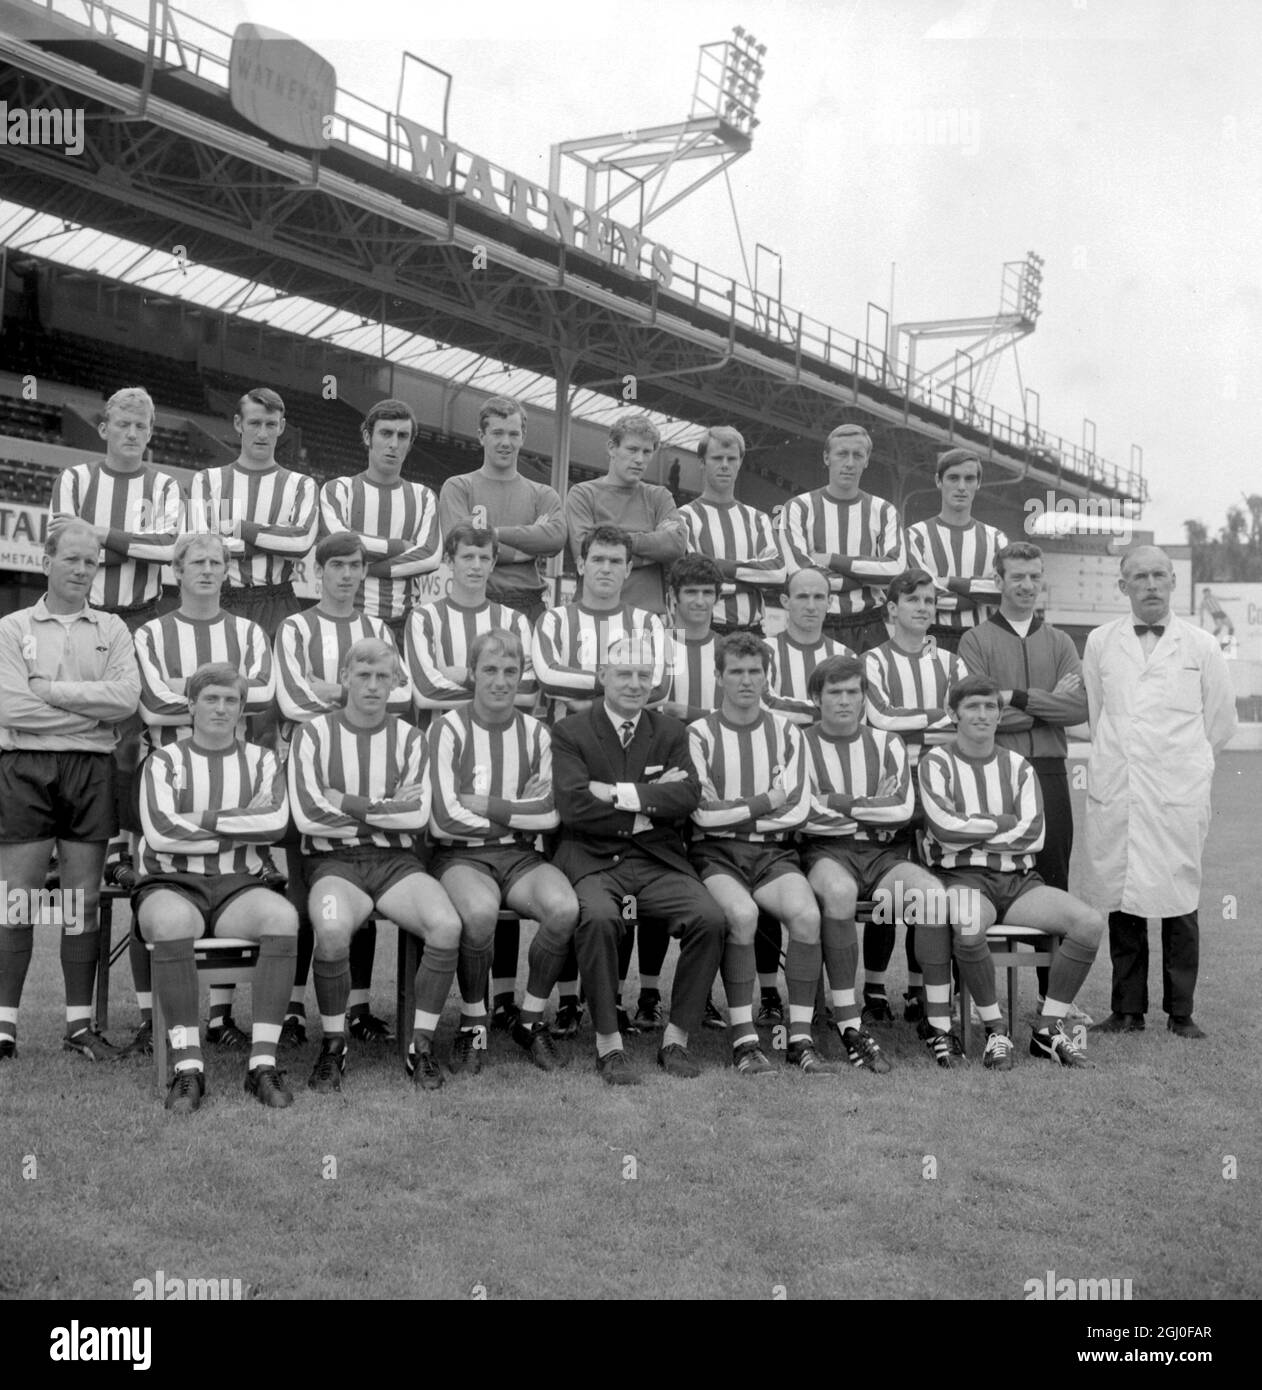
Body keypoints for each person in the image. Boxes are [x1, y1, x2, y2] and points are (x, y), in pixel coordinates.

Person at [49, 385, 182, 1047]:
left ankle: (130, 851)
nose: (132, 432)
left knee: (136, 741)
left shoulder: (166, 484)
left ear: (151, 433)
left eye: (142, 425)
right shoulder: (74, 475)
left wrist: (107, 538)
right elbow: (66, 541)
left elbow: (168, 550)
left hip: (139, 619)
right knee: (73, 739)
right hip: (81, 619)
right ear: (104, 427)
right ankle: (73, 850)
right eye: (123, 422)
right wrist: (119, 543)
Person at [289, 639, 462, 1092]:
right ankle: (333, 1044)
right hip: (334, 866)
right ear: (344, 678)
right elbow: (308, 815)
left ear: (395, 683)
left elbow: (417, 816)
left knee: (446, 926)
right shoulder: (311, 734)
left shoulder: (410, 737)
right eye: (363, 675)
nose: (372, 685)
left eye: (382, 677)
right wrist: (384, 813)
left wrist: (345, 804)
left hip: (397, 864)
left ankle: (419, 1045)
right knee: (329, 933)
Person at [551, 636, 725, 1084]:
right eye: (624, 674)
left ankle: (676, 1039)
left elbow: (686, 796)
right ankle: (609, 1043)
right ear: (602, 676)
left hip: (656, 859)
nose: (634, 684)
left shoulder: (669, 731)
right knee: (602, 918)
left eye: (644, 676)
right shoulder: (571, 731)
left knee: (708, 916)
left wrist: (613, 793)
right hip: (592, 858)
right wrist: (649, 804)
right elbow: (573, 807)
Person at [1082, 546, 1237, 1039]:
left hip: (1177, 790)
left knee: (1179, 896)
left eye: (1158, 575)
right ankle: (1127, 1010)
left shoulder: (1202, 646)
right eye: (1138, 576)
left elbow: (1221, 722)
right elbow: (1097, 710)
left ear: (1172, 582)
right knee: (1123, 897)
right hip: (1121, 787)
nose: (1150, 584)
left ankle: (1181, 1011)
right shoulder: (1101, 642)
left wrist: (1183, 766)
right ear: (1122, 586)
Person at [0, 519, 140, 1062]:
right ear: (47, 561)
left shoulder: (113, 628)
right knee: (18, 899)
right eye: (73, 559)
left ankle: (79, 1028)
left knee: (81, 900)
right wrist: (88, 718)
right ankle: (5, 1029)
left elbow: (126, 699)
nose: (83, 570)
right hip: (25, 767)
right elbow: (9, 707)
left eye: (92, 562)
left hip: (90, 772)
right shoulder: (12, 628)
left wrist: (50, 696)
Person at [133, 531, 276, 1051]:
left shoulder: (249, 630)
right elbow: (151, 704)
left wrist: (184, 684)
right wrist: (207, 694)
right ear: (177, 569)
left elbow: (263, 696)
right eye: (198, 561)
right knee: (158, 883)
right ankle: (157, 1021)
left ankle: (219, 1018)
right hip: (166, 770)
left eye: (218, 561)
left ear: (228, 571)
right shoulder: (151, 633)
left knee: (231, 878)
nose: (208, 569)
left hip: (236, 770)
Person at [134, 663, 297, 1112]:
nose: (221, 708)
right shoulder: (163, 760)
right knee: (168, 922)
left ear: (243, 708)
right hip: (171, 881)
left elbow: (273, 824)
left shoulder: (262, 760)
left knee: (283, 917)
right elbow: (163, 832)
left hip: (238, 883)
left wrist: (203, 821)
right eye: (211, 698)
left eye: (231, 700)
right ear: (190, 704)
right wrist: (238, 822)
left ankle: (262, 1064)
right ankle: (189, 1066)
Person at [919, 675, 1104, 1069]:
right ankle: (996, 1030)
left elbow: (1033, 834)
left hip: (1020, 884)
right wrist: (1002, 822)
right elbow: (944, 830)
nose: (982, 714)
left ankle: (1047, 1031)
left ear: (1000, 715)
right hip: (962, 878)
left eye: (989, 707)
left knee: (1087, 923)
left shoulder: (1018, 765)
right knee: (969, 929)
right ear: (953, 714)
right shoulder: (936, 762)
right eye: (972, 706)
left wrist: (973, 828)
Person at [274, 531, 413, 1048]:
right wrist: (351, 699)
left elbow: (400, 694)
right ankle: (291, 1007)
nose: (348, 574)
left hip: (370, 767)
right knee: (301, 889)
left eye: (356, 565)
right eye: (338, 566)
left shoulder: (377, 626)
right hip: (307, 764)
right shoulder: (294, 625)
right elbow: (290, 699)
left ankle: (357, 1007)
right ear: (320, 571)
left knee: (363, 882)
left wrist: (328, 687)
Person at [532, 525, 667, 1035]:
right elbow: (546, 676)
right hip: (569, 756)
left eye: (617, 560)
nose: (607, 568)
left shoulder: (646, 621)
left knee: (624, 880)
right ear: (581, 564)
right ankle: (569, 1000)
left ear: (630, 569)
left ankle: (609, 995)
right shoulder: (555, 619)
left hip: (628, 760)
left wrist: (593, 681)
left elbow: (659, 685)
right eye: (598, 559)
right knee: (572, 878)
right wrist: (616, 680)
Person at [428, 628, 578, 1073]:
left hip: (520, 856)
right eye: (490, 669)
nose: (500, 680)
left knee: (564, 908)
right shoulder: (446, 728)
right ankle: (473, 1023)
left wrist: (490, 807)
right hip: (460, 856)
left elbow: (550, 814)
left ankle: (530, 1021)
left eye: (510, 671)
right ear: (472, 673)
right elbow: (443, 818)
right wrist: (517, 811)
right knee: (478, 914)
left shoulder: (537, 733)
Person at [799, 654, 954, 1072]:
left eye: (854, 692)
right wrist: (871, 805)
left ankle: (938, 1024)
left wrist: (837, 800)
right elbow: (804, 813)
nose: (846, 701)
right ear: (817, 697)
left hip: (883, 856)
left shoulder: (887, 742)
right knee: (839, 893)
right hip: (826, 852)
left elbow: (901, 810)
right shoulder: (799, 742)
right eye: (835, 692)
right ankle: (850, 1023)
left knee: (933, 897)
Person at [958, 541, 1090, 1019]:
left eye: (1035, 576)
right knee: (987, 875)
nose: (1028, 585)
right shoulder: (975, 641)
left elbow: (1078, 710)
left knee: (1053, 879)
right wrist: (1043, 707)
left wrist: (1012, 697)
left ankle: (1053, 997)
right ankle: (978, 998)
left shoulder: (1060, 642)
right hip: (996, 773)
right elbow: (979, 713)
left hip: (1051, 773)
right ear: (999, 580)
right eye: (1018, 577)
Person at [688, 633, 828, 1074]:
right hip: (715, 855)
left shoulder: (788, 731)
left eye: (755, 672)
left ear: (767, 677)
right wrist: (765, 801)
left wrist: (738, 814)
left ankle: (800, 1038)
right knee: (743, 916)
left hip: (772, 854)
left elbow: (800, 806)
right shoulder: (698, 734)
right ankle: (744, 1039)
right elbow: (702, 817)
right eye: (736, 671)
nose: (746, 681)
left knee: (807, 916)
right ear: (718, 676)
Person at [861, 568, 968, 1025]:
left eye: (929, 601)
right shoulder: (873, 660)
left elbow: (963, 717)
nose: (923, 608)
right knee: (888, 893)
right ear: (892, 608)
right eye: (913, 600)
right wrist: (938, 717)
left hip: (940, 785)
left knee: (933, 889)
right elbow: (881, 717)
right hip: (890, 782)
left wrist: (932, 721)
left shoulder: (952, 663)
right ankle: (872, 988)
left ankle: (921, 991)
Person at [755, 564, 855, 1023]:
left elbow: (856, 708)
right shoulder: (766, 651)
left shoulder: (843, 651)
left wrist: (809, 710)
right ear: (785, 602)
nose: (812, 605)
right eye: (803, 597)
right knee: (767, 888)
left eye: (820, 597)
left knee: (816, 891)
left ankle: (842, 997)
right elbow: (765, 703)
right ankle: (769, 990)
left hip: (822, 775)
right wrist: (819, 707)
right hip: (770, 774)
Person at [189, 386, 318, 640]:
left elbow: (301, 542)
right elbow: (202, 547)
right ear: (238, 423)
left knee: (278, 680)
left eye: (270, 425)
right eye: (254, 423)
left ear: (281, 427)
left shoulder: (301, 484)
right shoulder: (207, 480)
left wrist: (235, 526)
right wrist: (276, 539)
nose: (262, 433)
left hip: (278, 601)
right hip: (222, 600)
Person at [319, 398, 442, 647]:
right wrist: (403, 547)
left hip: (401, 625)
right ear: (367, 437)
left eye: (403, 436)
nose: (394, 444)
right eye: (386, 433)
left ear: (410, 443)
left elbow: (430, 556)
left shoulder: (424, 496)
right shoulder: (339, 489)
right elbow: (341, 545)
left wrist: (367, 569)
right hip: (346, 620)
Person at [437, 395, 567, 626]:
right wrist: (528, 546)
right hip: (476, 602)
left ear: (523, 437)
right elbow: (461, 547)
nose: (505, 442)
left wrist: (492, 535)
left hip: (530, 606)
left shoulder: (543, 494)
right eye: (497, 433)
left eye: (513, 434)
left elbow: (555, 540)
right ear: (481, 436)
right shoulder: (458, 487)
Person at [778, 422, 905, 652]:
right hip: (818, 622)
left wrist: (830, 560)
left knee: (873, 688)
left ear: (866, 461)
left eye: (858, 455)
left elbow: (894, 571)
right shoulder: (798, 507)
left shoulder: (884, 510)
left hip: (870, 624)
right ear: (827, 457)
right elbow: (800, 573)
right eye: (842, 454)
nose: (849, 463)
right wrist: (866, 576)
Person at [564, 412, 687, 615]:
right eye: (632, 449)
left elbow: (676, 545)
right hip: (592, 616)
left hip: (648, 618)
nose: (639, 459)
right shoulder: (583, 493)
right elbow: (586, 554)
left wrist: (617, 542)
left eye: (647, 452)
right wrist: (653, 553)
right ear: (612, 448)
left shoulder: (659, 496)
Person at [407, 525, 535, 714]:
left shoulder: (515, 621)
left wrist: (465, 676)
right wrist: (499, 691)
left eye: (484, 558)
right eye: (468, 557)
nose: (476, 566)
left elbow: (527, 692)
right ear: (449, 561)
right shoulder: (423, 618)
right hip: (441, 739)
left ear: (493, 564)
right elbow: (427, 693)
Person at [675, 426, 784, 635]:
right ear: (702, 462)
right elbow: (693, 578)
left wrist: (715, 567)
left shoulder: (759, 519)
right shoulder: (683, 518)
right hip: (704, 631)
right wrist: (752, 583)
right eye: (717, 458)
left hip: (753, 633)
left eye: (731, 459)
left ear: (740, 462)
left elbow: (777, 572)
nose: (725, 465)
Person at [906, 448, 1007, 653]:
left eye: (969, 479)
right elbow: (922, 593)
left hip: (981, 636)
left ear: (978, 483)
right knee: (932, 685)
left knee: (977, 686)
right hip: (930, 636)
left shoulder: (996, 538)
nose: (961, 486)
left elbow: (1004, 591)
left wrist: (951, 582)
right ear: (938, 481)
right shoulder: (915, 535)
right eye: (953, 478)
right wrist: (975, 599)